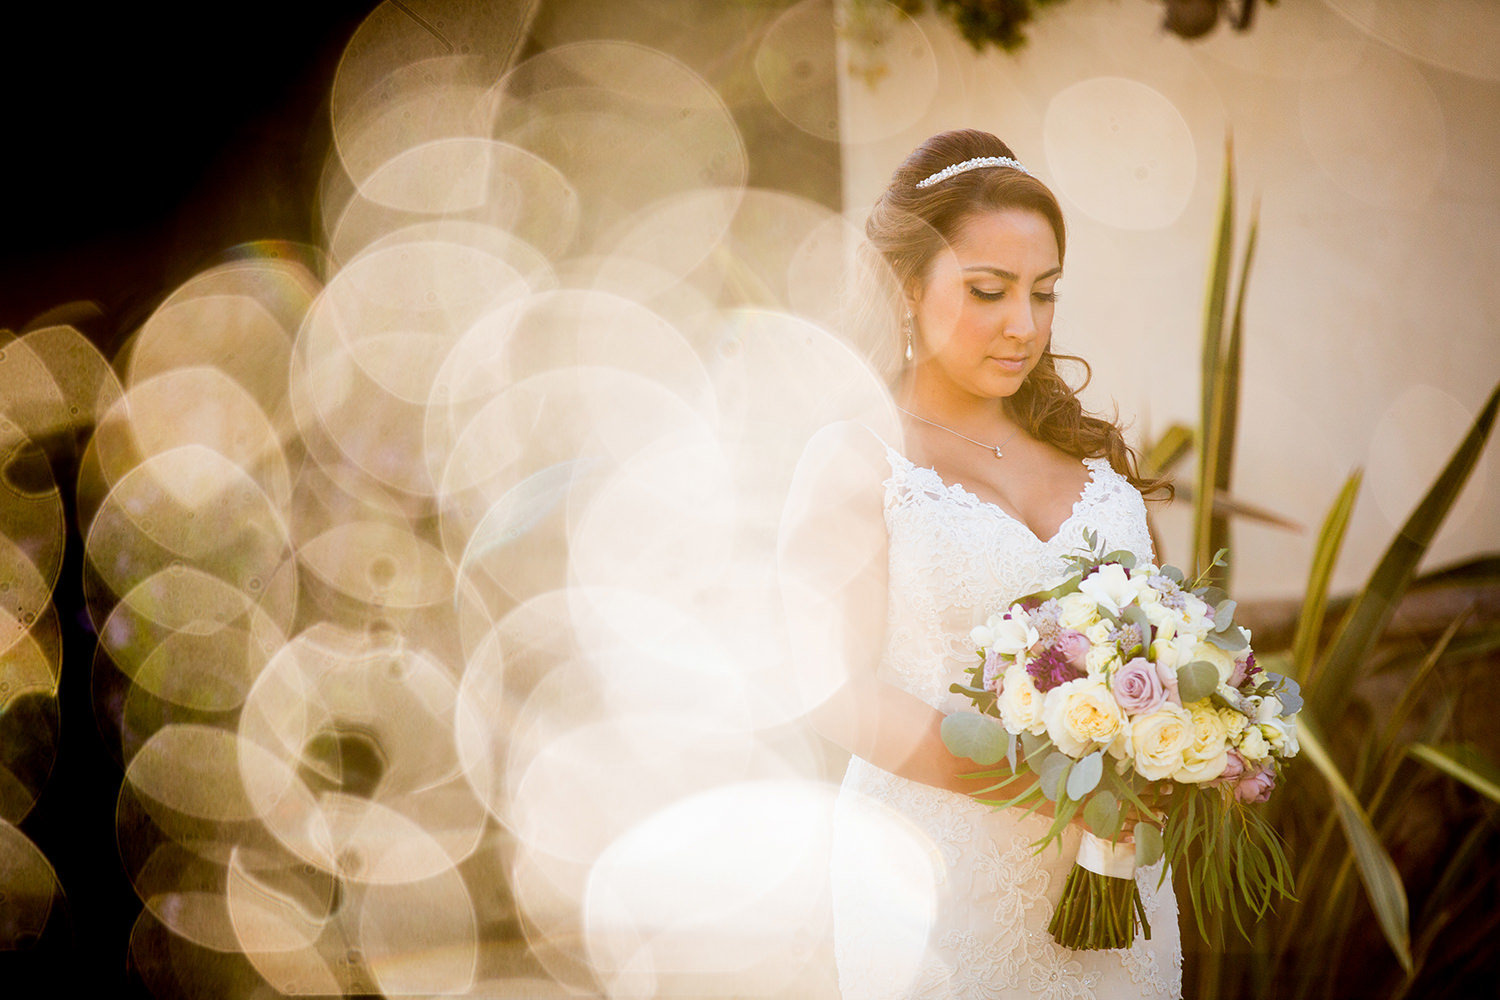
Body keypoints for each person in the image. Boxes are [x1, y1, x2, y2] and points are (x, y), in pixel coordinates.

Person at [779, 129, 1183, 999]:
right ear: (906, 289)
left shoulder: (1098, 461)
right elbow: (828, 686)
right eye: (989, 292)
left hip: (1116, 879)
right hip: (937, 883)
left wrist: (1190, 739)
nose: (1025, 326)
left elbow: (1166, 642)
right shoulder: (858, 457)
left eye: (1044, 294)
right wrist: (1040, 784)